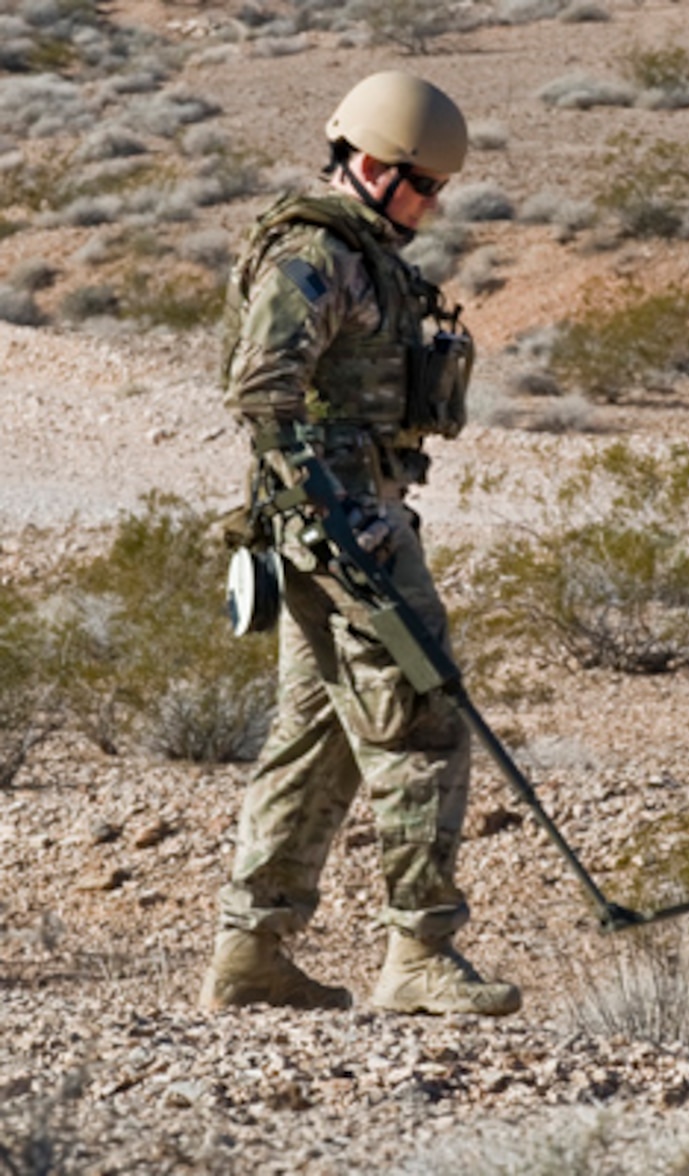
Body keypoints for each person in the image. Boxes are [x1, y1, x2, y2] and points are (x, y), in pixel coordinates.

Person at [199, 70, 519, 1016]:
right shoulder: (318, 252)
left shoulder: (364, 253)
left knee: (319, 738)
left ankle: (251, 952)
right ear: (374, 165)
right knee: (424, 714)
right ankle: (418, 951)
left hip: (344, 518)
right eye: (423, 184)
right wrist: (338, 516)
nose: (432, 203)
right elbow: (262, 389)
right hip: (342, 528)